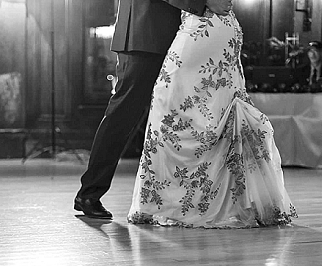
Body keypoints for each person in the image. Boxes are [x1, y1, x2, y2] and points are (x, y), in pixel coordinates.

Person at [127, 9, 297, 228]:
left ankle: (164, 204)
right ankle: (170, 203)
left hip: (205, 27)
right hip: (217, 27)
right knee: (181, 103)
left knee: (172, 102)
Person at [74, 0, 231, 219]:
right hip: (145, 34)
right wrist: (204, 2)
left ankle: (179, 197)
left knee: (177, 114)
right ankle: (89, 193)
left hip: (177, 36)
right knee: (124, 114)